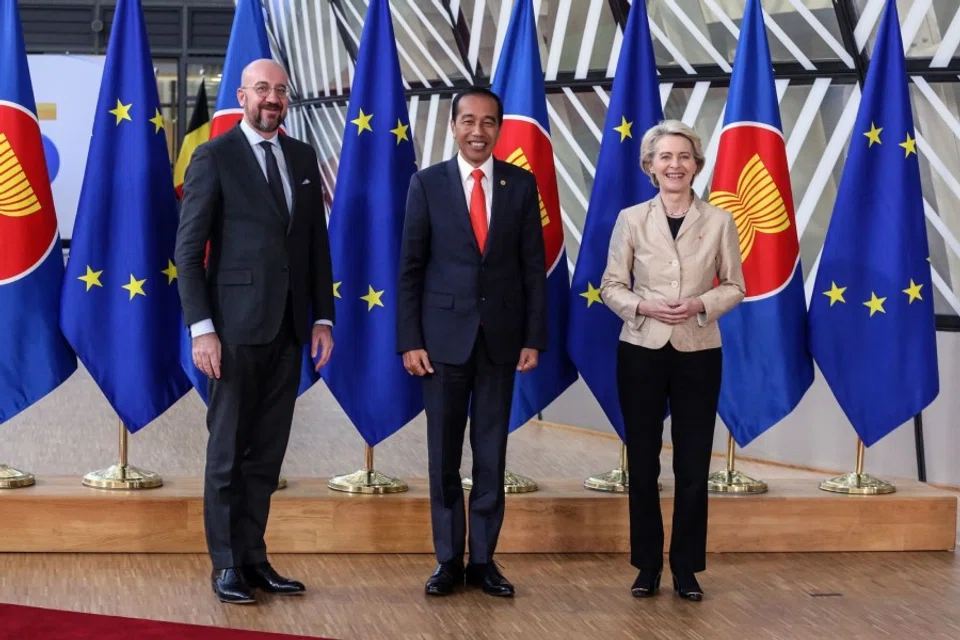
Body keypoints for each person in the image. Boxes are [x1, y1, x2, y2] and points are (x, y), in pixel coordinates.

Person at [174, 58, 335, 605]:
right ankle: (225, 564)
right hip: (233, 332)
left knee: (266, 454)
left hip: (290, 330)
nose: (272, 98)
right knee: (227, 453)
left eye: (280, 91)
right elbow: (189, 253)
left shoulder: (302, 156)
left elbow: (315, 246)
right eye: (262, 89)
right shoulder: (213, 157)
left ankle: (254, 557)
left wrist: (322, 316)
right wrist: (202, 330)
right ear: (241, 96)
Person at [396, 87, 547, 598]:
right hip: (440, 345)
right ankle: (446, 561)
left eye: (487, 122)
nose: (477, 131)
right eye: (468, 121)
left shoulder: (521, 185)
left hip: (501, 342)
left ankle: (483, 560)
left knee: (491, 455)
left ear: (498, 128)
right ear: (454, 126)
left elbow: (533, 270)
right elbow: (410, 269)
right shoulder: (427, 183)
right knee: (443, 457)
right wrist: (409, 340)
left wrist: (533, 337)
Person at [600, 120, 745, 602]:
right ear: (650, 166)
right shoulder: (630, 219)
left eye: (684, 156)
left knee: (691, 464)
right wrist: (642, 306)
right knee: (642, 464)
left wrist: (702, 304)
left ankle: (686, 568)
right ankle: (646, 566)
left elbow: (735, 286)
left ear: (696, 165)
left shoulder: (720, 221)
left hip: (698, 351)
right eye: (665, 157)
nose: (675, 165)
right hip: (640, 348)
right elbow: (611, 286)